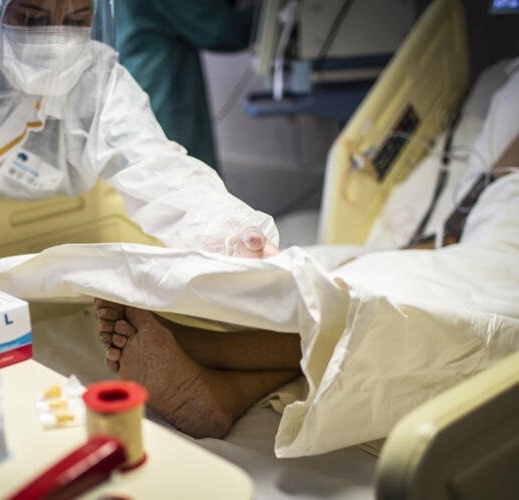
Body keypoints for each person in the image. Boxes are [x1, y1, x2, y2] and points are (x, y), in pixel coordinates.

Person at [93, 59, 519, 440]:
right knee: (336, 276)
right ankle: (224, 391)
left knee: (394, 302)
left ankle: (211, 349)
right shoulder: (505, 89)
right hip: (469, 232)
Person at [0, 0, 277, 273]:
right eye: (31, 18)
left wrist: (229, 230)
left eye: (77, 20)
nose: (54, 38)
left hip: (60, 238)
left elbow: (156, 165)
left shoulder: (99, 78)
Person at [114, 0, 255, 173]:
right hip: (162, 95)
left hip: (135, 78)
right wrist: (269, 13)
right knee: (178, 174)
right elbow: (220, 29)